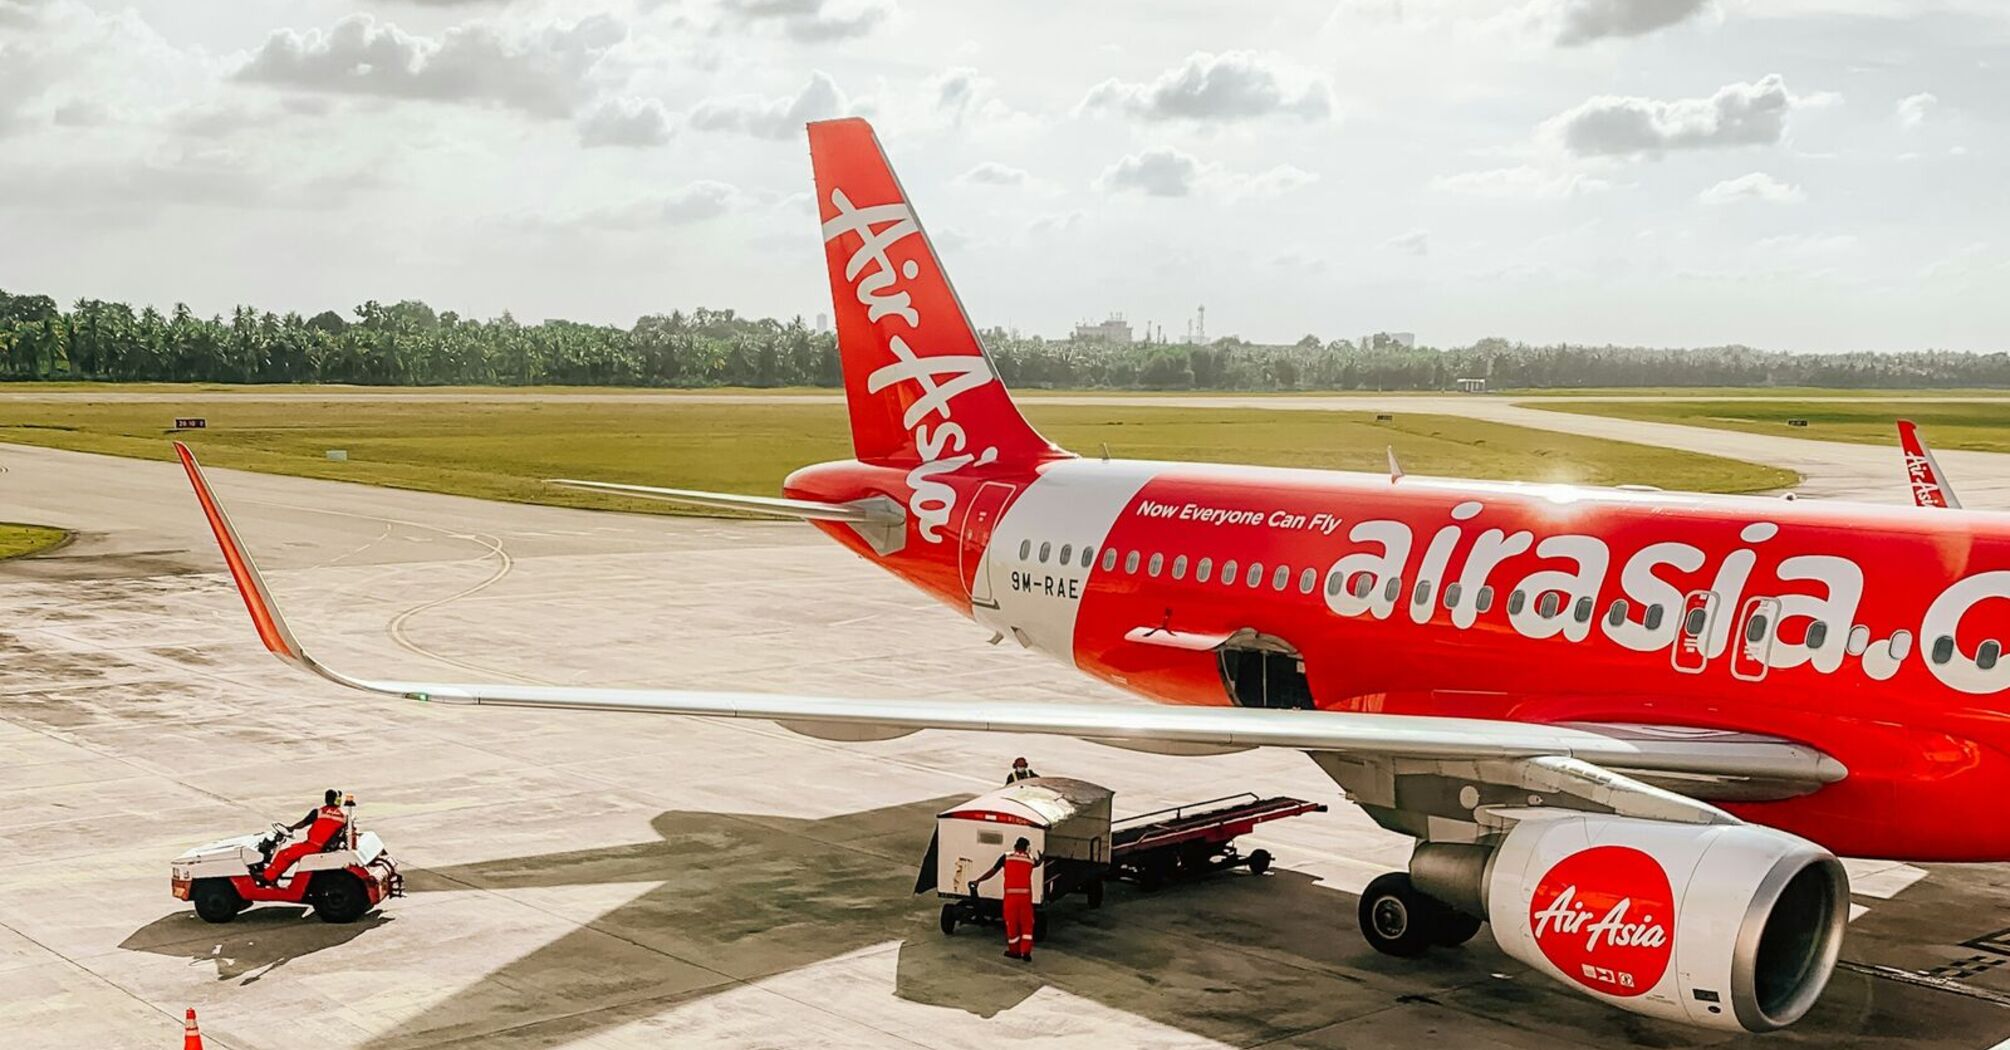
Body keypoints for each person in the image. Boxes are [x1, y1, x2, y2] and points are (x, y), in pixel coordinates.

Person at [970, 836, 1043, 960]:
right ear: (1027, 848)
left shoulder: (1006, 857)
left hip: (1011, 897)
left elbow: (993, 871)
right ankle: (1026, 952)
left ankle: (1014, 951)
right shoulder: (1030, 859)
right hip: (1025, 898)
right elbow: (1038, 862)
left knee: (1012, 924)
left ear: (1015, 846)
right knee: (1027, 924)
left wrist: (978, 881)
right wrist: (1041, 858)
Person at [257, 789, 348, 886]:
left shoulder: (319, 812)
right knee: (293, 851)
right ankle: (275, 875)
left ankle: (268, 877)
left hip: (313, 846)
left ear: (326, 799)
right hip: (326, 847)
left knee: (284, 854)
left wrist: (291, 828)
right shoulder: (345, 816)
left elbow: (303, 823)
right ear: (338, 800)